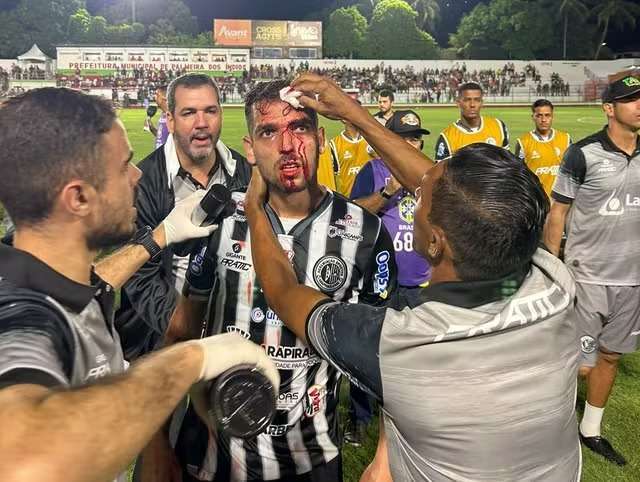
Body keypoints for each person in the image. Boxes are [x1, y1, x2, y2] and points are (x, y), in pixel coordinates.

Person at [244, 73, 581, 481]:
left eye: (422, 197)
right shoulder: (553, 280)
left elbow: (282, 291)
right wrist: (354, 113)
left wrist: (254, 212)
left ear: (436, 242)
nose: (418, 187)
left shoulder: (402, 342)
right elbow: (455, 197)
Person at [0, 87, 278, 482]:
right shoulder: (21, 316)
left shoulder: (58, 283)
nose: (137, 176)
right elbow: (24, 461)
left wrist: (158, 237)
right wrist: (189, 360)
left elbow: (96, 288)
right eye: (123, 167)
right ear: (78, 197)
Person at [154, 79, 398, 482]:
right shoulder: (217, 220)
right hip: (215, 455)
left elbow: (389, 355)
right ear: (250, 148)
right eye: (269, 132)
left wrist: (386, 456)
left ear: (320, 138)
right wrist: (158, 440)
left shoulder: (365, 233)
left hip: (313, 457)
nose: (287, 145)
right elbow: (181, 331)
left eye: (299, 128)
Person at [116, 73, 251, 360]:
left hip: (228, 335)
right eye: (189, 113)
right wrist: (185, 327)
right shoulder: (144, 181)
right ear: (170, 120)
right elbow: (139, 276)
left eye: (210, 111)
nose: (201, 123)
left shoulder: (245, 174)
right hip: (158, 339)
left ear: (221, 115)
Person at [544, 70, 640, 466]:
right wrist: (552, 268)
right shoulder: (582, 153)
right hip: (587, 277)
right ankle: (549, 428)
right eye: (632, 100)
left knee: (612, 357)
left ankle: (591, 430)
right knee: (579, 364)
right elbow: (558, 213)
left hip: (633, 281)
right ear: (609, 109)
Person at [347, 110, 431, 446]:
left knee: (419, 357)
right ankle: (360, 416)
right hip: (381, 281)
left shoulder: (430, 173)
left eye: (416, 137)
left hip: (421, 282)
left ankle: (409, 420)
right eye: (405, 137)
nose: (412, 143)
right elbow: (353, 214)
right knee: (368, 351)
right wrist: (388, 192)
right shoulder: (373, 170)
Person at [434, 82, 509, 161]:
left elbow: (507, 163)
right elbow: (440, 172)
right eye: (467, 100)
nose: (472, 104)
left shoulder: (498, 126)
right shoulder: (447, 137)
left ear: (481, 103)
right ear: (458, 103)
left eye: (477, 100)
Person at [515, 99, 571, 197]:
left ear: (552, 117)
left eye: (547, 115)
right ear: (533, 117)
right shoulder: (523, 142)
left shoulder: (565, 139)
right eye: (539, 115)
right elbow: (518, 176)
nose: (543, 119)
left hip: (559, 202)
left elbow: (572, 173)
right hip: (536, 202)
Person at [330, 112, 376, 197]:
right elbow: (331, 178)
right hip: (349, 200)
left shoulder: (370, 141)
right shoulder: (334, 144)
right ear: (344, 119)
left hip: (370, 199)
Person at [145, 84, 170, 149]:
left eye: (157, 94)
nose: (154, 97)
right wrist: (152, 128)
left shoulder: (173, 115)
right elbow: (161, 136)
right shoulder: (163, 114)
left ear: (164, 97)